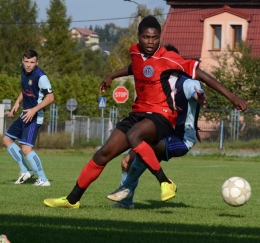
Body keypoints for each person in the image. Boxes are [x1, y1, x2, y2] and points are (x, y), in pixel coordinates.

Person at [43, 15, 247, 209]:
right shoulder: (134, 51)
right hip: (138, 113)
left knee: (134, 137)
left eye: (155, 37)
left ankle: (165, 182)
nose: (150, 41)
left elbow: (201, 75)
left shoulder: (169, 58)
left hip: (162, 116)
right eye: (146, 37)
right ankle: (72, 200)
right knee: (103, 154)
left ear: (160, 37)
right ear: (138, 37)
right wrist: (111, 76)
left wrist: (233, 97)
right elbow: (135, 67)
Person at [107, 73, 205, 208]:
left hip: (180, 139)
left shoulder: (187, 83)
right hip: (162, 131)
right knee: (126, 163)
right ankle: (125, 202)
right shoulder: (160, 84)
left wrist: (199, 96)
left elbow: (196, 93)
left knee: (143, 143)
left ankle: (129, 189)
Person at [2, 50, 54, 186]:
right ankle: (25, 171)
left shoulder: (41, 76)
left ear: (37, 63)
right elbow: (25, 89)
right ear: (22, 61)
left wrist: (34, 110)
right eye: (26, 62)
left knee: (26, 149)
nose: (28, 65)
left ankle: (43, 179)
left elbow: (50, 97)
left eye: (32, 62)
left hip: (35, 116)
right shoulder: (24, 72)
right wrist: (17, 102)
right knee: (7, 139)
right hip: (24, 114)